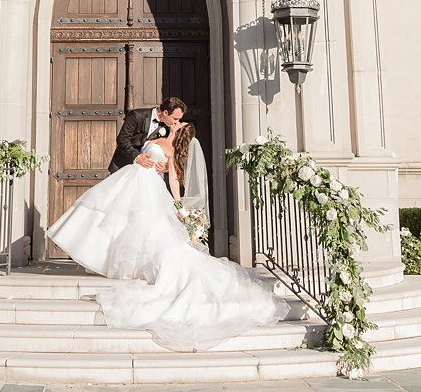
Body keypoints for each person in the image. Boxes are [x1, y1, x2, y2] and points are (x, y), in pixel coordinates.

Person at [46, 109, 287, 350]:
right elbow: (134, 144)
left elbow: (173, 179)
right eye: (176, 119)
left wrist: (178, 205)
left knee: (149, 231)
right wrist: (140, 156)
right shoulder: (158, 136)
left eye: (180, 123)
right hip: (131, 181)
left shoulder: (171, 150)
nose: (178, 122)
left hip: (149, 190)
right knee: (115, 219)